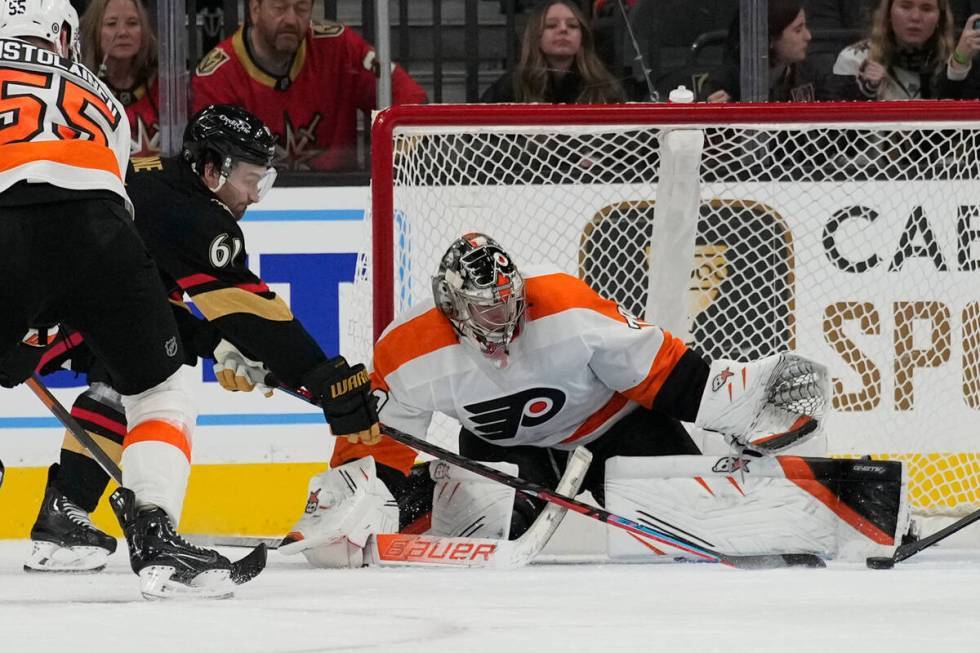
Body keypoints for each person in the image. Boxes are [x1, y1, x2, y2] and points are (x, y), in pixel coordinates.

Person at [281, 233, 829, 567]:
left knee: (693, 524)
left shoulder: (565, 304)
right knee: (491, 527)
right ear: (452, 308)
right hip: (506, 448)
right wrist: (354, 502)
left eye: (510, 304)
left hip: (615, 427)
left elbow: (664, 373)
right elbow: (382, 449)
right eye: (487, 311)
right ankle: (432, 498)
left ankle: (761, 488)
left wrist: (737, 402)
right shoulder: (407, 351)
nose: (506, 321)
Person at [23, 105, 382, 578]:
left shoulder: (158, 177)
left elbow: (139, 310)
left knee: (124, 368)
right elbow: (250, 308)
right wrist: (322, 376)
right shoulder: (193, 216)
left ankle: (63, 515)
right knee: (157, 381)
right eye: (249, 179)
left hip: (46, 288)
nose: (254, 195)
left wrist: (216, 344)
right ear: (213, 169)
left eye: (263, 180)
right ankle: (131, 524)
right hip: (37, 303)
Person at [0, 0, 247, 599]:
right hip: (101, 231)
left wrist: (21, 331)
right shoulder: (102, 94)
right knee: (161, 386)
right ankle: (156, 531)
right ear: (63, 36)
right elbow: (101, 209)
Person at [190, 0, 427, 172]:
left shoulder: (340, 47)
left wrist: (398, 146)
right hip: (254, 208)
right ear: (255, 9)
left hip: (343, 202)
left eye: (302, 7)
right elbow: (214, 168)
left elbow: (410, 97)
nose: (292, 19)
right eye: (280, 8)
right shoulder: (217, 76)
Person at [826, 0, 980, 100]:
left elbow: (954, 135)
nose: (915, 17)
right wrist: (864, 93)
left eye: (926, 9)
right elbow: (839, 139)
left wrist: (958, 66)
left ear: (940, 18)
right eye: (905, 6)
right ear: (888, 14)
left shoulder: (955, 59)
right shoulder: (855, 58)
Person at [482, 0, 624, 103]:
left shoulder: (605, 88)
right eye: (551, 25)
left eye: (572, 25)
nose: (563, 29)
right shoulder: (512, 87)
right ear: (536, 37)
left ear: (582, 38)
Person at [79, 0, 160, 156]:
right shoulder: (80, 88)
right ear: (93, 30)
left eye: (132, 23)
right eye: (111, 24)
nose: (122, 32)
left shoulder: (165, 88)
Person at [703, 0, 822, 102]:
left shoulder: (811, 72)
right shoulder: (723, 84)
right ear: (767, 39)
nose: (808, 36)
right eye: (798, 30)